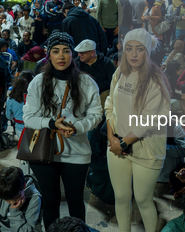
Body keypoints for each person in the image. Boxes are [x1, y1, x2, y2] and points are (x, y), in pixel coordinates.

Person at [22, 32, 102, 230]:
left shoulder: (86, 82)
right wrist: (52, 123)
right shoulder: (38, 82)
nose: (61, 56)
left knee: (76, 201)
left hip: (77, 151)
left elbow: (96, 114)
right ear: (49, 54)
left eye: (66, 51)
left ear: (72, 55)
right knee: (50, 201)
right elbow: (28, 118)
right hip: (43, 151)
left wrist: (77, 127)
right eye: (56, 51)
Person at [105, 28, 171, 232]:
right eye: (129, 49)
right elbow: (110, 105)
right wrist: (111, 138)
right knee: (122, 198)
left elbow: (149, 122)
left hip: (146, 149)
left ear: (148, 51)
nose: (133, 54)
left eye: (139, 49)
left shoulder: (156, 81)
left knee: (143, 200)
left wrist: (123, 143)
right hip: (116, 146)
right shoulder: (119, 72)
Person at [0, 167, 42, 232]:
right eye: (7, 199)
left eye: (16, 197)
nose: (12, 202)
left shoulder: (34, 199)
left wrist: (14, 212)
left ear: (24, 186)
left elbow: (27, 230)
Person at [73, 39, 116, 107]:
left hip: (102, 92)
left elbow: (113, 82)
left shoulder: (106, 63)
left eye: (82, 53)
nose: (79, 55)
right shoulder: (76, 63)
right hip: (83, 92)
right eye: (78, 52)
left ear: (92, 53)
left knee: (105, 95)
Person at [5, 71, 34, 137]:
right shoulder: (32, 97)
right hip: (33, 127)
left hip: (19, 129)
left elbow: (9, 116)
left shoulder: (10, 99)